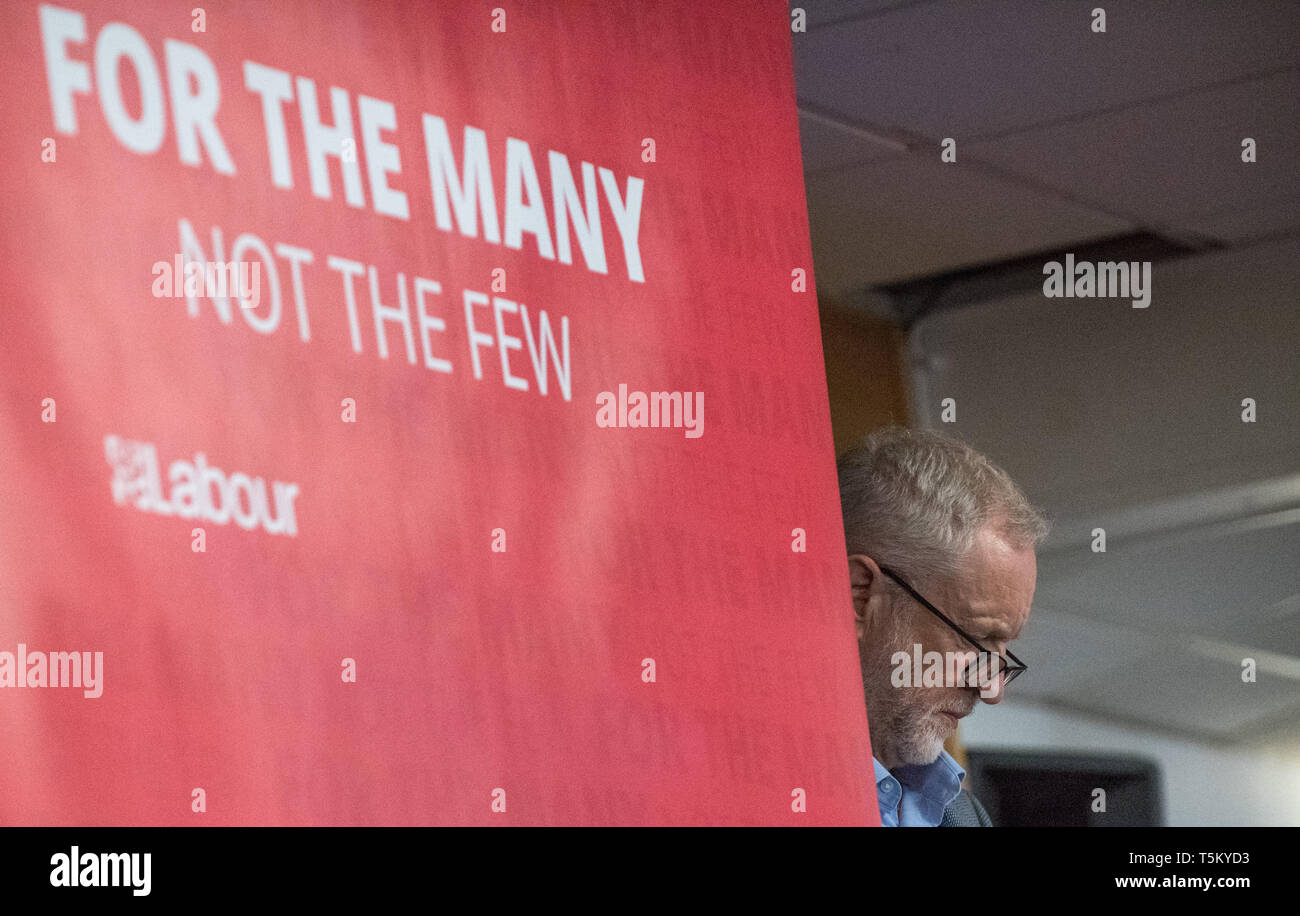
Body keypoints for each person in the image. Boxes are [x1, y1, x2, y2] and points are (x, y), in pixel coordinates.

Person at [838, 426, 1050, 826]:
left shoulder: (967, 817)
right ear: (861, 594)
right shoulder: (722, 789)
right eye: (975, 640)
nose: (992, 689)